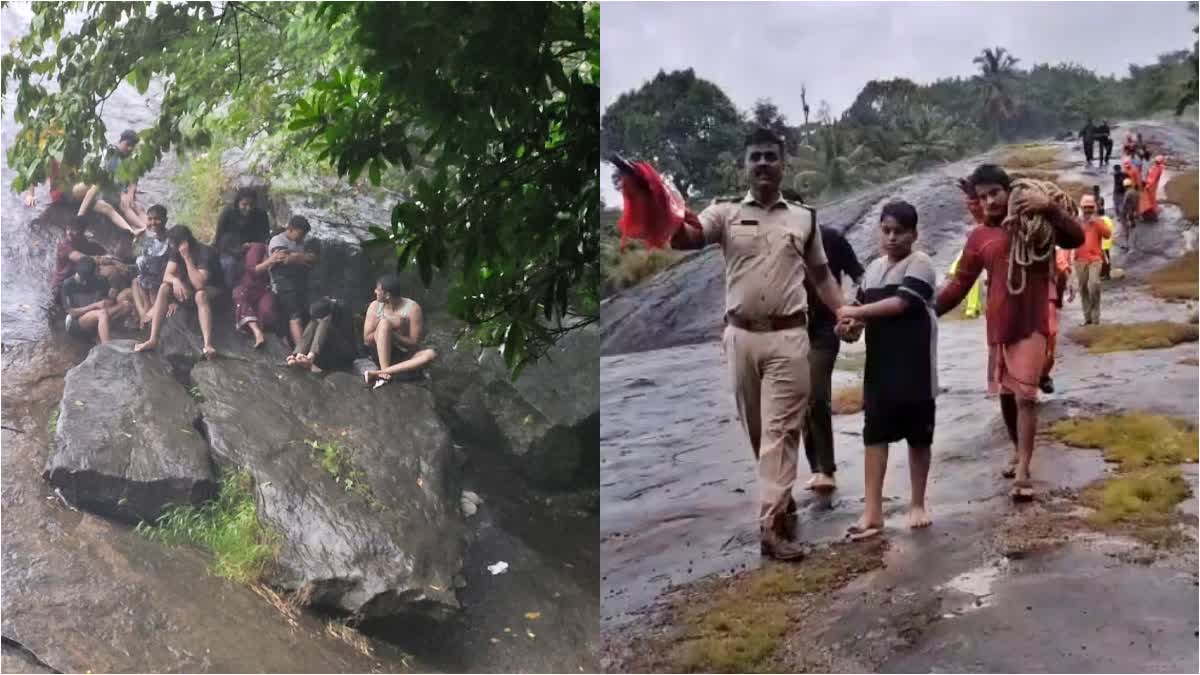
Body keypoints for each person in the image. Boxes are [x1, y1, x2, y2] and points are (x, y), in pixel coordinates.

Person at [669, 127, 848, 561]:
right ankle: (782, 502)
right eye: (755, 157)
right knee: (757, 432)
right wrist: (663, 206)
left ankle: (769, 526)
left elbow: (822, 275)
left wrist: (843, 312)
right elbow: (685, 240)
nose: (763, 163)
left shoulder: (804, 217)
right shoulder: (724, 213)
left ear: (784, 164)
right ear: (745, 166)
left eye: (771, 156)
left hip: (789, 335)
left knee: (780, 431)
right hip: (741, 337)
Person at [936, 164, 1084, 501]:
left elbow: (1075, 237)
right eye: (982, 197)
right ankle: (1018, 450)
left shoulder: (1035, 223)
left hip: (1032, 320)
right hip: (1000, 324)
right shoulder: (979, 237)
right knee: (1005, 396)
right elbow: (960, 284)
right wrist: (927, 311)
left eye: (994, 194)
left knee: (1026, 396)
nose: (989, 202)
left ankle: (1022, 471)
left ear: (1009, 190)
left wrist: (1048, 208)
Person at [835, 201, 938, 539]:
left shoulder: (920, 264)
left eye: (900, 232)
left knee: (918, 436)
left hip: (915, 366)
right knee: (874, 434)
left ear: (914, 234)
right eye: (887, 230)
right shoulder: (874, 270)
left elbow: (902, 303)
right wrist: (849, 328)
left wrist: (856, 311)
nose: (892, 238)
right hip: (879, 368)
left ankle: (918, 503)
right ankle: (872, 512)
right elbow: (862, 314)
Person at [802, 223, 864, 492]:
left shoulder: (829, 238)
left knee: (816, 393)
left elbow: (860, 275)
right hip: (788, 329)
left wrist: (855, 313)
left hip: (825, 327)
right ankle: (816, 466)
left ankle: (825, 469)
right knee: (801, 398)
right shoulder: (774, 239)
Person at [134, 225, 224, 359]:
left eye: (172, 243)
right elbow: (167, 276)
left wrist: (187, 258)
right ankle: (153, 339)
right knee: (165, 287)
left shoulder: (205, 252)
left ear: (184, 243)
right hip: (189, 287)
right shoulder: (175, 251)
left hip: (213, 289)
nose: (170, 246)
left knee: (200, 295)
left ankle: (207, 344)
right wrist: (176, 282)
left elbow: (199, 284)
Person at [361, 273, 439, 388]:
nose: (375, 292)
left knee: (430, 354)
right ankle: (384, 371)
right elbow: (367, 340)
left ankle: (380, 373)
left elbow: (414, 342)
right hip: (380, 353)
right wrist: (384, 329)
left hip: (404, 355)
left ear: (387, 295)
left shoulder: (413, 309)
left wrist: (394, 335)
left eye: (378, 290)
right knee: (384, 324)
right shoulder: (374, 306)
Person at [76, 129, 146, 236]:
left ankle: (145, 227)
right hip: (100, 196)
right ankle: (132, 232)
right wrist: (80, 216)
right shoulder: (109, 154)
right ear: (120, 141)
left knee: (135, 206)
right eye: (127, 144)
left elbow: (134, 178)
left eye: (133, 146)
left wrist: (130, 193)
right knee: (110, 208)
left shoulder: (131, 159)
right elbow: (94, 188)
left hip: (114, 194)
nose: (130, 148)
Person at [268, 215, 319, 351]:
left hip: (299, 284)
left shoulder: (300, 243)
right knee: (295, 316)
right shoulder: (277, 240)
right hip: (282, 284)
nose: (302, 238)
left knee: (303, 314)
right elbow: (282, 259)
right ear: (290, 229)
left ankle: (299, 349)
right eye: (300, 234)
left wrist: (295, 256)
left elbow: (311, 259)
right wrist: (300, 257)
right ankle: (300, 352)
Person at [60, 256, 131, 345]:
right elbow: (72, 312)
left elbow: (109, 301)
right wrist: (94, 305)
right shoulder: (68, 285)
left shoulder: (99, 280)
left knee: (126, 305)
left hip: (99, 314)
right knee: (102, 314)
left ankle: (108, 333)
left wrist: (110, 298)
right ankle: (106, 347)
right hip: (77, 322)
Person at [213, 188, 271, 289]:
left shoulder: (261, 215)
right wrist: (237, 249)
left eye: (251, 205)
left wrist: (255, 247)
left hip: (253, 248)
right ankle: (229, 291)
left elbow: (265, 237)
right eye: (244, 204)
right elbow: (219, 236)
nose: (248, 208)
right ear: (238, 203)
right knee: (230, 264)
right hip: (230, 248)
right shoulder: (228, 213)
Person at [131, 204, 173, 328]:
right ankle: (143, 314)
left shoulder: (171, 240)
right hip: (147, 282)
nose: (153, 222)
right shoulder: (149, 240)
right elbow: (140, 263)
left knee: (152, 289)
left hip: (161, 282)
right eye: (150, 219)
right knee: (135, 282)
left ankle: (148, 318)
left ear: (165, 220)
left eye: (157, 219)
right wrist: (136, 242)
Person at [231, 242, 278, 349]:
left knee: (267, 309)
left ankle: (260, 330)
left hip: (264, 289)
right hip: (248, 287)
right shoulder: (258, 248)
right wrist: (270, 261)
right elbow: (252, 270)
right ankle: (257, 333)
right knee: (239, 295)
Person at [292, 296, 357, 373]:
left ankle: (311, 357)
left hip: (345, 353)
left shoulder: (342, 309)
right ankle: (299, 354)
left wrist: (325, 322)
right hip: (326, 353)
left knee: (324, 322)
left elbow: (348, 339)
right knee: (313, 322)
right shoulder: (321, 305)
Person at [1041, 246, 1075, 394]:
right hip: (1022, 301)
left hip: (1047, 299)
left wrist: (1070, 280)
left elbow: (1062, 264)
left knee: (1051, 336)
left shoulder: (1052, 249)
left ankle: (1043, 376)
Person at [1074, 195, 1112, 326]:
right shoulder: (1076, 222)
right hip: (1079, 259)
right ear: (1081, 208)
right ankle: (1087, 318)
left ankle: (1096, 319)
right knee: (1083, 288)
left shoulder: (1098, 221)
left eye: (1090, 207)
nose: (1088, 210)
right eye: (1085, 207)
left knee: (1094, 285)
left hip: (1095, 259)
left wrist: (1096, 222)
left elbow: (1108, 234)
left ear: (1094, 208)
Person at [52, 217, 111, 299]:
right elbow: (82, 258)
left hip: (78, 281)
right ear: (67, 228)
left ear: (82, 232)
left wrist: (111, 257)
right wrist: (102, 259)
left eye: (77, 232)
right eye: (70, 230)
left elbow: (98, 249)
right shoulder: (63, 245)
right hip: (61, 286)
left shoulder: (82, 241)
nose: (71, 234)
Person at [1140, 155, 1166, 222]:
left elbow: (1153, 179)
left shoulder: (1157, 169)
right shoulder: (1160, 167)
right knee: (1152, 198)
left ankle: (1151, 213)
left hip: (1151, 186)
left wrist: (1147, 185)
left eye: (1156, 161)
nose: (1155, 162)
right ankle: (1153, 211)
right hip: (1153, 185)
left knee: (1150, 199)